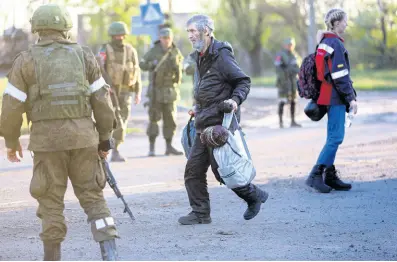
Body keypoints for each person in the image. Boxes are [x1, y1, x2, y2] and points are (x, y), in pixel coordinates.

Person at [0, 4, 119, 260]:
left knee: (50, 201)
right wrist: (105, 140)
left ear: (37, 29)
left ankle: (52, 258)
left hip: (47, 144)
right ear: (66, 28)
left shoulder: (26, 60)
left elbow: (10, 108)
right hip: (84, 139)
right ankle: (110, 251)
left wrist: (11, 141)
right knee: (93, 196)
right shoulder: (84, 56)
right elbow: (102, 102)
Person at [178, 14, 268, 225]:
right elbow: (208, 89)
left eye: (193, 31)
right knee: (193, 171)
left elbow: (243, 82)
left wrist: (235, 101)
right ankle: (200, 213)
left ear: (207, 31)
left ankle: (254, 196)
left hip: (220, 125)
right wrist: (197, 107)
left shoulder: (222, 56)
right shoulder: (200, 55)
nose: (190, 36)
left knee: (224, 173)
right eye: (188, 32)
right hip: (203, 122)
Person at [305, 8, 357, 193]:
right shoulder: (335, 43)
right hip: (335, 97)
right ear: (335, 23)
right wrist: (351, 99)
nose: (346, 24)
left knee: (332, 137)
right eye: (344, 21)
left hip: (326, 96)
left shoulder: (324, 42)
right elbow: (340, 75)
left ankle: (330, 175)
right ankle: (315, 175)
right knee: (336, 137)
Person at [97, 21, 142, 162]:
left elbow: (137, 71)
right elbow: (98, 69)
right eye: (117, 35)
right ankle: (111, 149)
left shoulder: (131, 50)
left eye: (122, 34)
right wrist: (105, 87)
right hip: (110, 92)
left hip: (126, 92)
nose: (120, 37)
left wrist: (138, 92)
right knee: (115, 122)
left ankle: (114, 148)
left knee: (123, 119)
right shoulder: (105, 50)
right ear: (112, 35)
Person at [139, 28, 184, 157]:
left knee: (170, 120)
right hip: (156, 91)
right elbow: (142, 64)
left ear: (171, 38)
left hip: (170, 91)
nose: (166, 41)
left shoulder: (175, 51)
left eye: (168, 38)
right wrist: (151, 65)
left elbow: (180, 68)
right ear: (160, 38)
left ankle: (169, 146)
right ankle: (151, 147)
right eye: (164, 38)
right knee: (154, 118)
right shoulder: (153, 51)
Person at [274, 37, 302, 128]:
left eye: (291, 45)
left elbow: (298, 68)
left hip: (293, 81)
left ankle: (293, 121)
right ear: (285, 45)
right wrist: (284, 76)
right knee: (282, 101)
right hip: (283, 82)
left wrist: (293, 71)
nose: (290, 46)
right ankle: (280, 122)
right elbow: (278, 68)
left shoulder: (295, 55)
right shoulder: (280, 55)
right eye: (288, 45)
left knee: (293, 101)